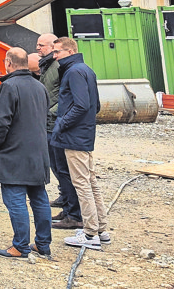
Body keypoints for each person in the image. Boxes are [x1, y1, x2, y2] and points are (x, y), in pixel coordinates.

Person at [0, 48, 53, 259]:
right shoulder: (39, 87)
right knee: (39, 199)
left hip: (13, 154)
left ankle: (21, 246)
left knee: (16, 200)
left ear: (8, 62)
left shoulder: (8, 86)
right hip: (38, 153)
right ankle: (43, 244)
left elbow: (0, 123)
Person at [50, 37, 110, 250]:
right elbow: (95, 105)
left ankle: (90, 233)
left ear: (69, 51)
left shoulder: (73, 72)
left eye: (57, 52)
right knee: (90, 182)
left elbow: (82, 105)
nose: (54, 56)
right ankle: (100, 229)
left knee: (82, 184)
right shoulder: (86, 70)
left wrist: (61, 125)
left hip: (74, 137)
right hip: (82, 135)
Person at [37, 34, 80, 231]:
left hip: (54, 123)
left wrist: (52, 114)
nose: (39, 49)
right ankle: (67, 205)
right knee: (57, 167)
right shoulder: (48, 66)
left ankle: (73, 213)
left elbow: (68, 98)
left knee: (63, 168)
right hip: (50, 122)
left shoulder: (61, 68)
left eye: (42, 46)